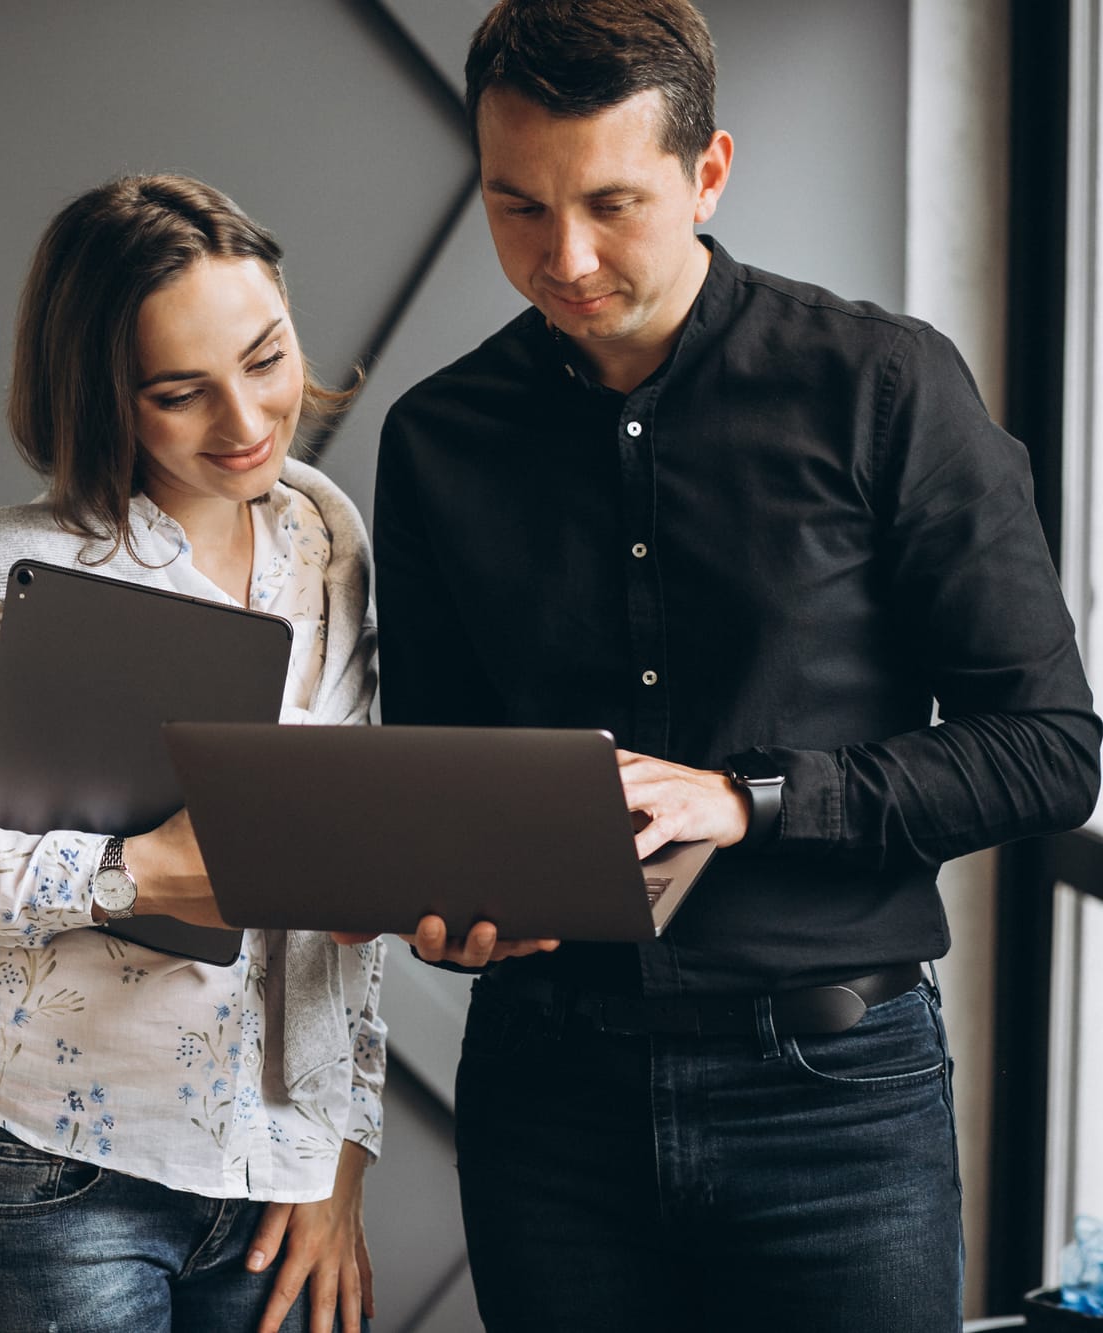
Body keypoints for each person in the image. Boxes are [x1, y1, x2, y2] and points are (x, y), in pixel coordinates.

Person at [369, 2, 1102, 1329]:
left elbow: (1049, 751)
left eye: (611, 202)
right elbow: (438, 772)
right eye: (518, 205)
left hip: (835, 1108)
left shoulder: (886, 387)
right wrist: (449, 913)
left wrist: (744, 798)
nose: (563, 257)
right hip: (547, 1108)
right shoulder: (436, 439)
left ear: (706, 173)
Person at [0, 174, 396, 1333]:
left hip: (272, 1183)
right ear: (97, 396)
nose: (244, 420)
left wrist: (337, 1152)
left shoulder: (327, 540)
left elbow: (337, 872)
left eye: (265, 359)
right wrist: (132, 873)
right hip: (34, 1177)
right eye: (179, 394)